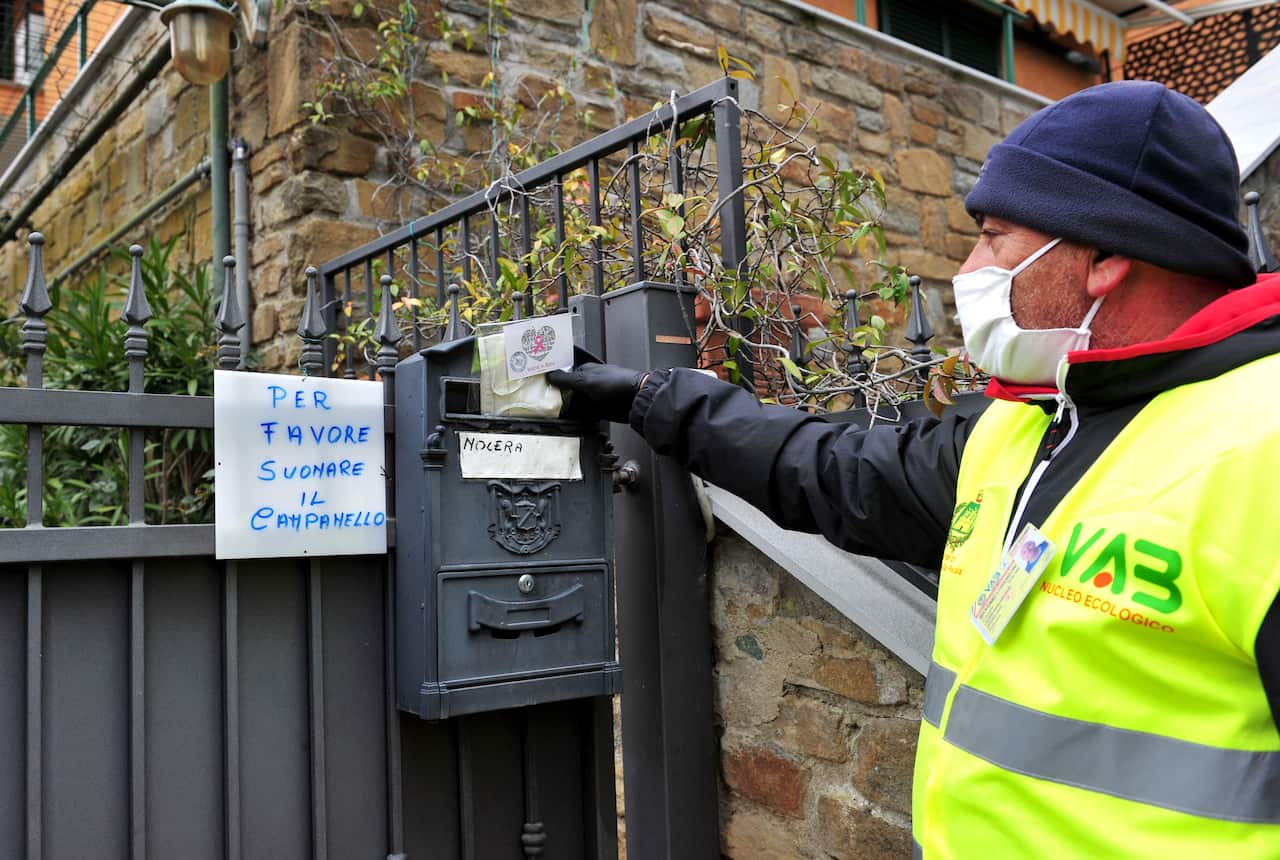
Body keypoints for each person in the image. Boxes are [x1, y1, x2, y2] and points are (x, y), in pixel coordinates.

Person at [549, 81, 1280, 857]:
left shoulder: (1259, 446)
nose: (969, 270)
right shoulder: (1026, 425)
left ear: (1103, 255)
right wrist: (649, 399)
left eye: (995, 238)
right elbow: (833, 468)